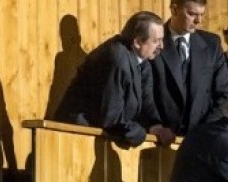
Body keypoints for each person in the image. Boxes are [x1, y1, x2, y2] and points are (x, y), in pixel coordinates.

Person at [54, 11, 174, 148]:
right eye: (156, 41)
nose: (162, 46)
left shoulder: (143, 59)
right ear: (137, 42)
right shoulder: (116, 58)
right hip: (73, 139)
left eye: (162, 40)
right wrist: (140, 133)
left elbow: (147, 100)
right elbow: (111, 119)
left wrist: (155, 126)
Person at [148, 0, 228, 134]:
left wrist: (206, 130)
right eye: (192, 14)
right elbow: (145, 91)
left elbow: (224, 94)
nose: (198, 21)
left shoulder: (212, 44)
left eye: (202, 14)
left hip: (203, 135)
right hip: (159, 136)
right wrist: (155, 125)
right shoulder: (152, 41)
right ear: (174, 9)